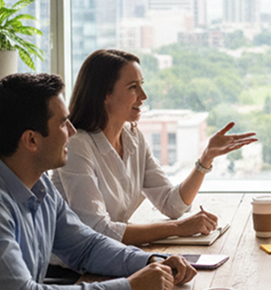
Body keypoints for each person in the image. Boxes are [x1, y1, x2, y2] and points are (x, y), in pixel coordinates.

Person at [0, 73, 196, 290]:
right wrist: (129, 289)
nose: (72, 131)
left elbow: (87, 245)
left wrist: (151, 262)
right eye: (62, 124)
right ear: (31, 140)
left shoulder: (40, 187)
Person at [53, 49, 257, 245]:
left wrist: (206, 158)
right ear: (105, 94)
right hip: (73, 273)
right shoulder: (77, 146)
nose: (143, 96)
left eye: (141, 85)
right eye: (133, 87)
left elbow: (172, 204)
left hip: (111, 257)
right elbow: (97, 230)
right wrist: (177, 228)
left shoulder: (134, 139)